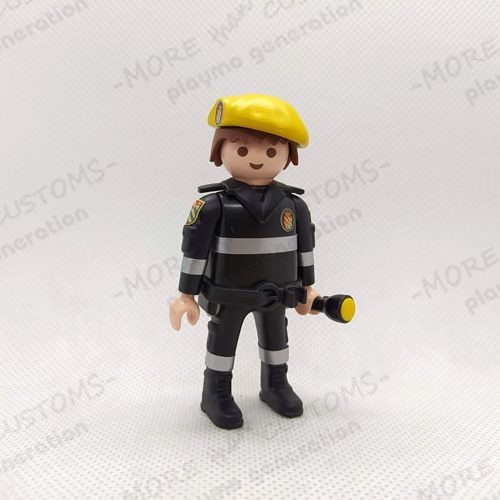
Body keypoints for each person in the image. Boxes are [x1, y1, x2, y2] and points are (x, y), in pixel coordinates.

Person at [169, 94, 320, 429]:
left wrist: (307, 288)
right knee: (222, 343)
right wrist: (186, 295)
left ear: (287, 156)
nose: (256, 159)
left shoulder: (293, 206)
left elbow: (305, 249)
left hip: (278, 293)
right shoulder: (214, 205)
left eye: (271, 152)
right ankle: (216, 392)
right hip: (229, 294)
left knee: (277, 342)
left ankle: (276, 384)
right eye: (241, 150)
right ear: (219, 150)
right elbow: (194, 251)